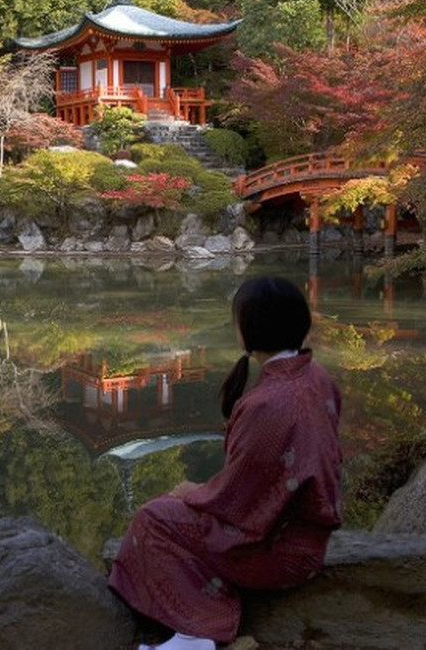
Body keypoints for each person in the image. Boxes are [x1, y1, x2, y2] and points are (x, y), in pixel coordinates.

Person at [108, 276, 343, 650]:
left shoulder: (268, 405)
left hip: (279, 553)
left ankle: (197, 632)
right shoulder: (316, 377)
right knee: (172, 513)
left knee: (153, 521)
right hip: (307, 543)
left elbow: (238, 503)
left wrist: (195, 493)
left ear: (248, 329)